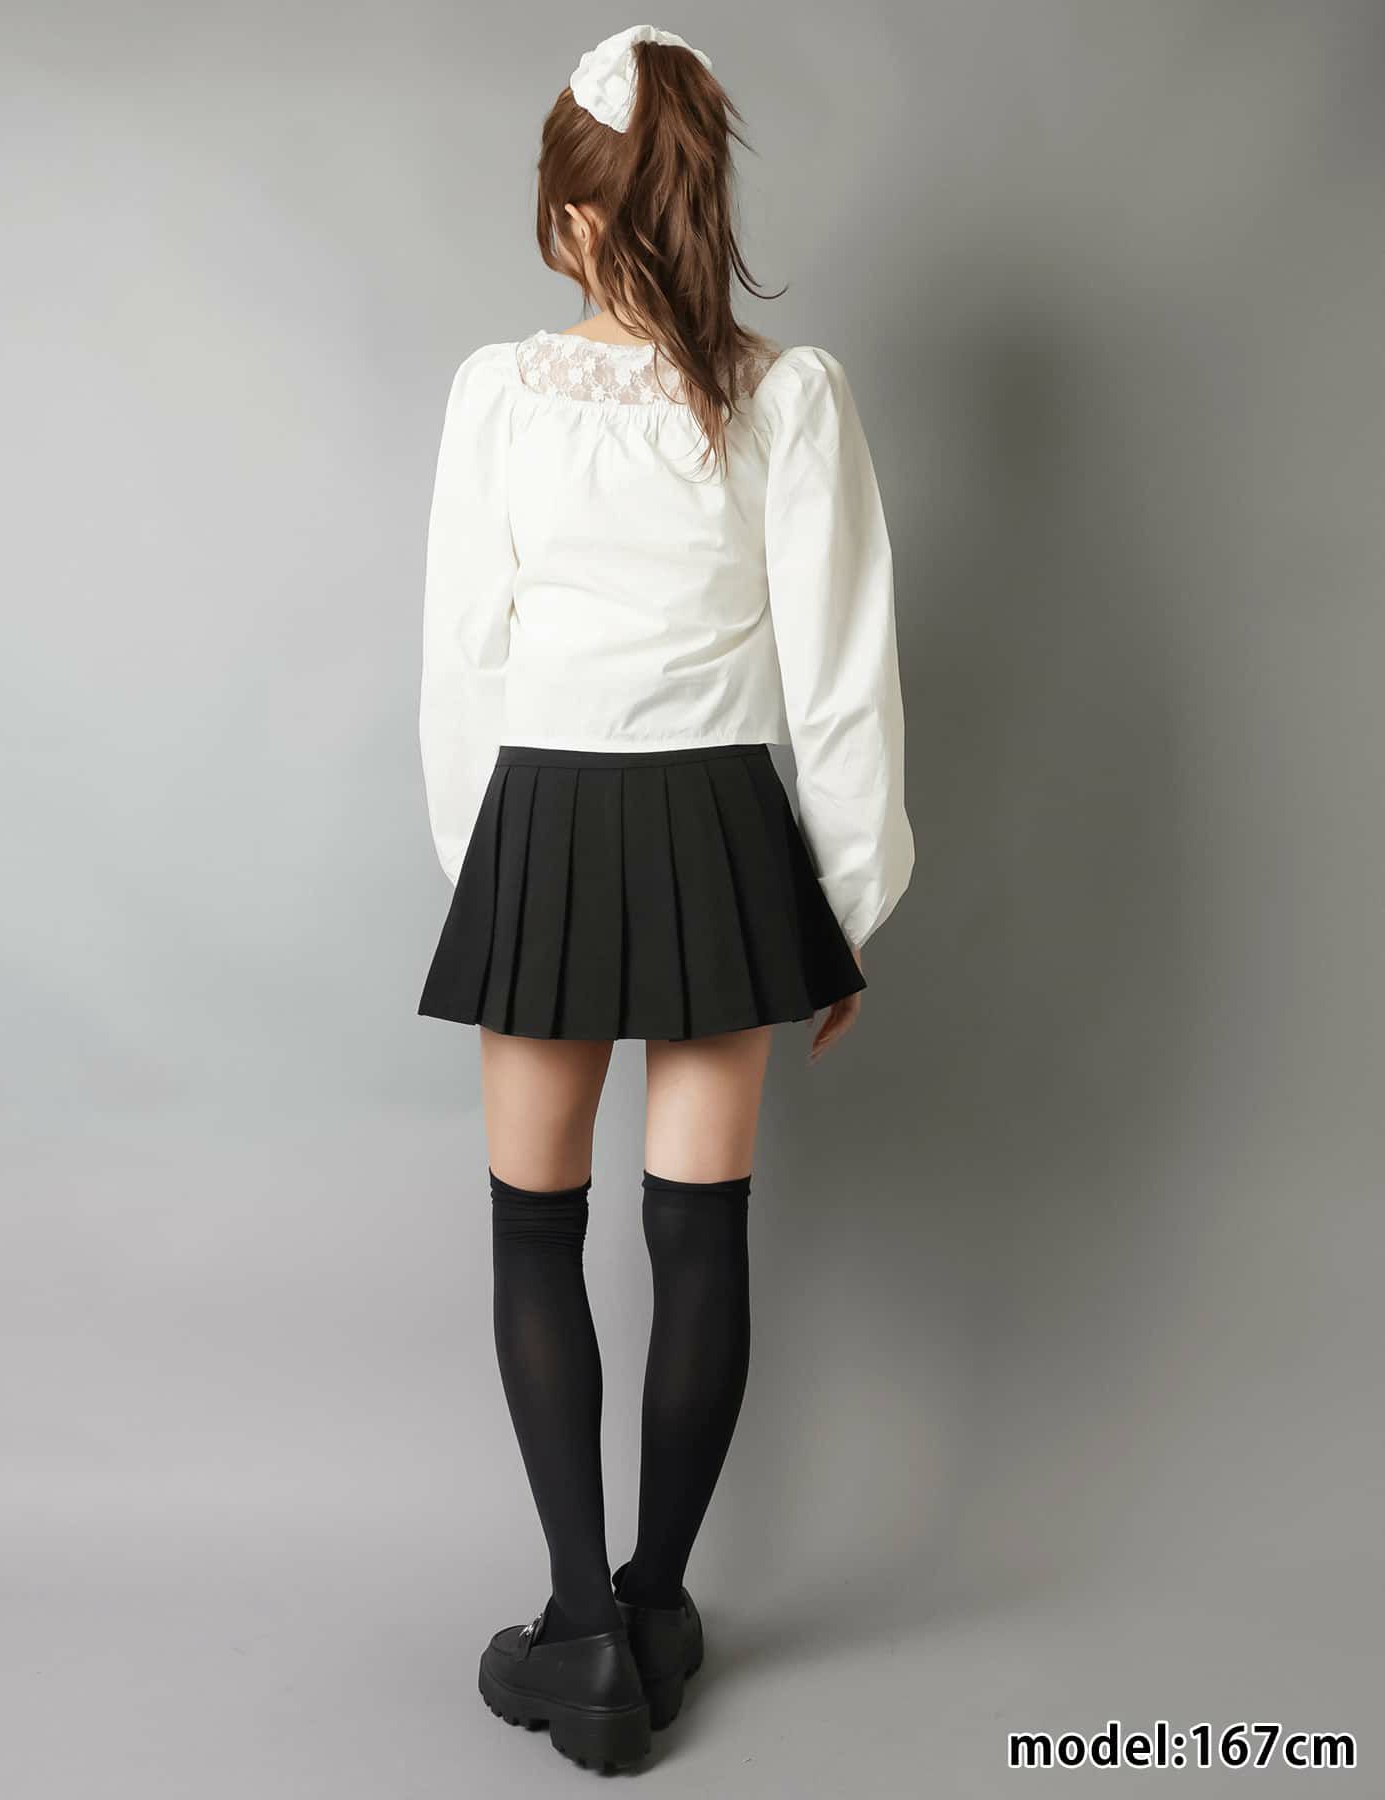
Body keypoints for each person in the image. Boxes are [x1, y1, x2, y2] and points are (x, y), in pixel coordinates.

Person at [415, 22, 914, 1773]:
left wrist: (488, 873)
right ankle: (660, 1598)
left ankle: (583, 1633)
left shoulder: (500, 393)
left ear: (572, 215)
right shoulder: (792, 395)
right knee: (700, 1233)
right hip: (721, 837)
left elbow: (463, 666)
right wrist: (846, 898)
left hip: (546, 818)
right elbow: (842, 673)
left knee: (532, 1231)